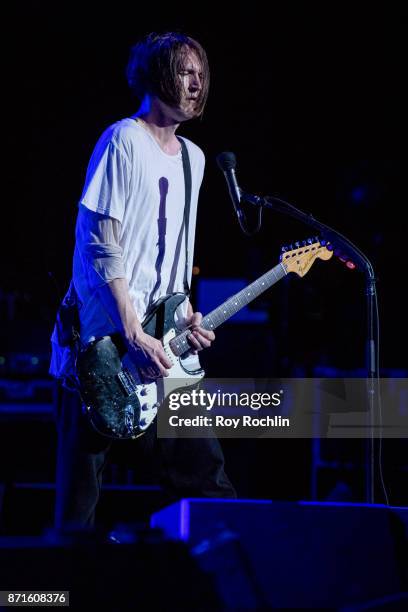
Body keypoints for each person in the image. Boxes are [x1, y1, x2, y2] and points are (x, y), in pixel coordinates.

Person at [50, 31, 236, 530]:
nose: (197, 84)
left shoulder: (195, 161)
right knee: (79, 509)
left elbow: (177, 260)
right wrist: (132, 333)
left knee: (209, 489)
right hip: (104, 344)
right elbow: (101, 246)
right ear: (155, 76)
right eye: (184, 72)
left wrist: (188, 316)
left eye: (201, 74)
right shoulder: (123, 139)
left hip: (163, 346)